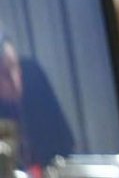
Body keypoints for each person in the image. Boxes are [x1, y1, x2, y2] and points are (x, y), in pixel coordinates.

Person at [0, 25, 76, 170]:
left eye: (16, 67)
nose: (16, 81)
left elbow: (63, 139)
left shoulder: (31, 73)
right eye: (5, 74)